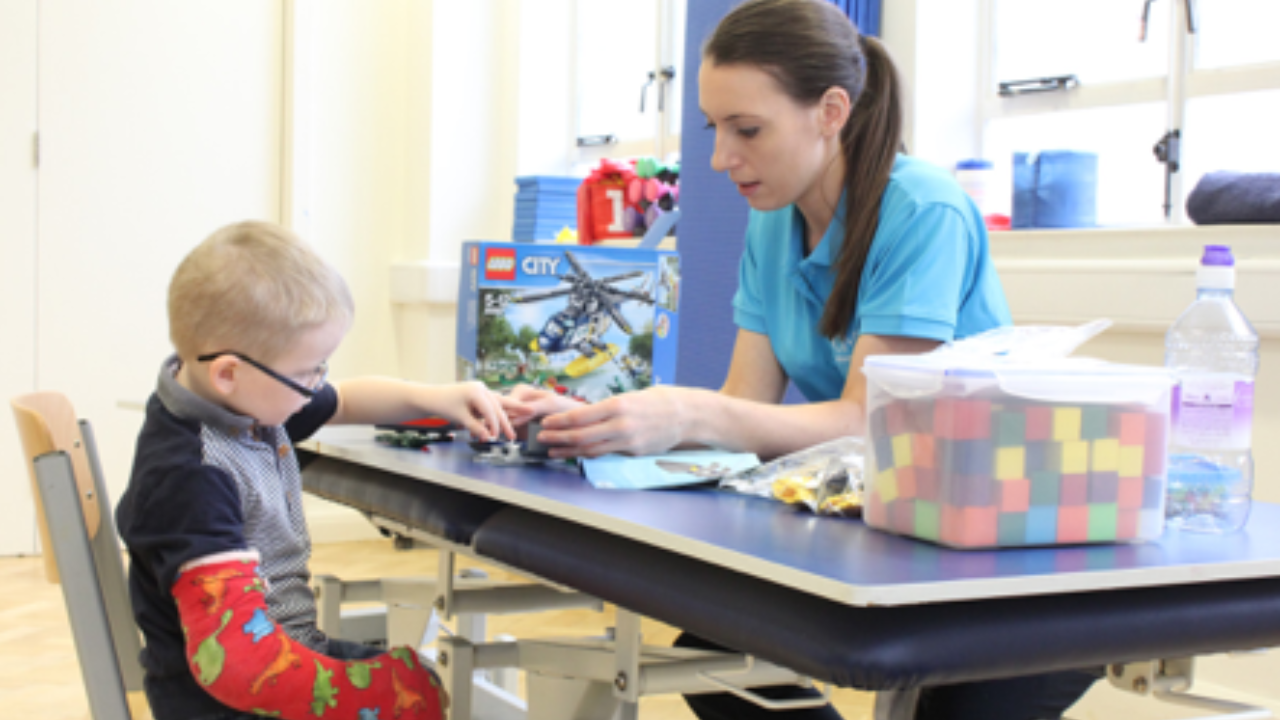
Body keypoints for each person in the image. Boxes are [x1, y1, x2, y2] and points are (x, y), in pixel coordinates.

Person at [509, 1, 1100, 718]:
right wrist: (602, 418)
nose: (722, 157)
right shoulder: (773, 221)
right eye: (715, 128)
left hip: (1020, 553)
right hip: (905, 530)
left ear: (830, 111)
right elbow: (746, 410)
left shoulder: (922, 209)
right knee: (711, 659)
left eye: (747, 129)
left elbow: (864, 422)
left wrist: (689, 410)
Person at [116, 221, 529, 720]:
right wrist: (381, 690)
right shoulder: (192, 476)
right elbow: (239, 665)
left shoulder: (243, 402)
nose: (316, 387)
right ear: (228, 372)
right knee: (415, 689)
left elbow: (347, 399)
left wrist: (437, 397)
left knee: (419, 680)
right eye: (308, 371)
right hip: (226, 701)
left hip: (275, 657)